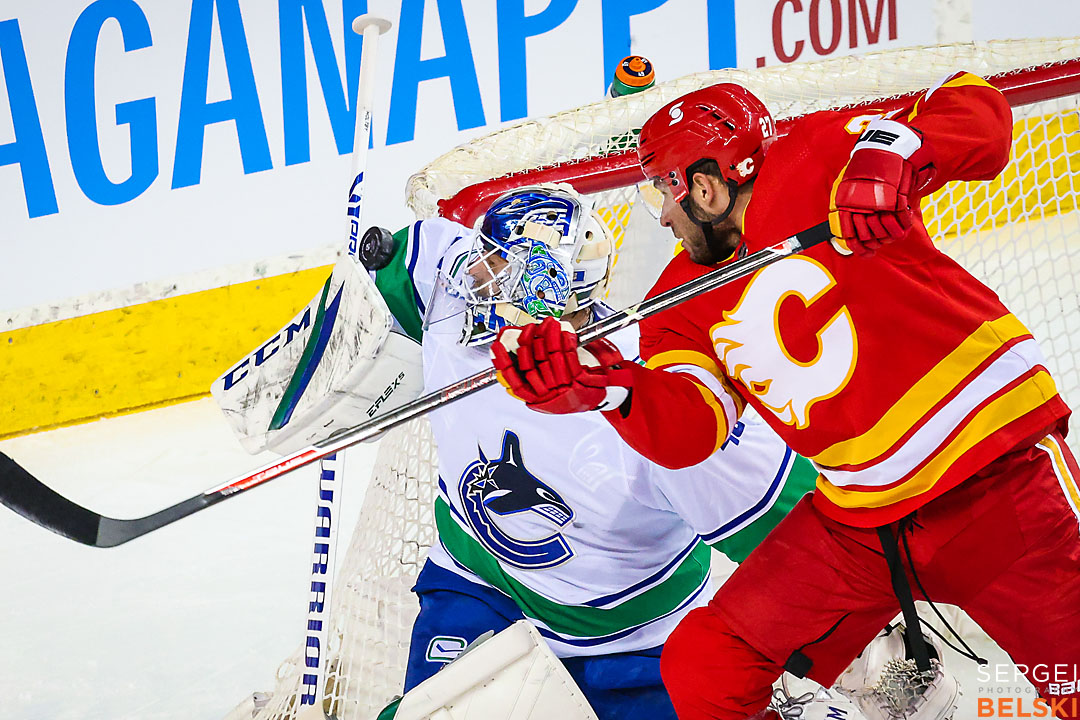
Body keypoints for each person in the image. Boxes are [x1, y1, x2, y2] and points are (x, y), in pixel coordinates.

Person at [490, 75, 1080, 719]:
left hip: (997, 488)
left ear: (705, 185)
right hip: (862, 526)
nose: (661, 215)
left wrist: (898, 152)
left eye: (664, 189)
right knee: (709, 666)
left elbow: (978, 108)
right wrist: (605, 389)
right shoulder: (677, 301)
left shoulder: (822, 156)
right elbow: (691, 430)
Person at [367, 184, 818, 720]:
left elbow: (805, 541)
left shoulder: (653, 398)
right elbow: (377, 293)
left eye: (494, 263)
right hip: (479, 586)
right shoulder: (447, 288)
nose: (471, 274)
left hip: (638, 644)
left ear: (539, 285)